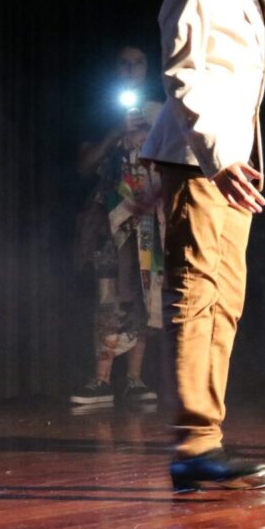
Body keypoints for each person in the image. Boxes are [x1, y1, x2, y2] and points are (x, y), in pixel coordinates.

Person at [139, 0, 265, 491]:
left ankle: (206, 440)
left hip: (231, 160)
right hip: (200, 158)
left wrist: (235, 158)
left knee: (226, 296)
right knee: (196, 292)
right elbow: (184, 75)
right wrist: (220, 157)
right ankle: (194, 444)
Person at [70, 46, 163, 408]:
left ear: (147, 68)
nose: (130, 69)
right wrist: (115, 133)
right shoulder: (99, 111)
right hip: (108, 218)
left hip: (148, 216)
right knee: (108, 294)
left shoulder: (159, 111)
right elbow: (83, 166)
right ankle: (102, 380)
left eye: (137, 62)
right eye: (123, 63)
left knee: (144, 292)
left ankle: (134, 379)